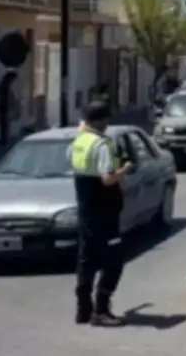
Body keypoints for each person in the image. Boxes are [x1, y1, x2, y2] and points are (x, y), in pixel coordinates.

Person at [69, 101, 133, 327]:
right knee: (114, 261)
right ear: (101, 121)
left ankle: (83, 309)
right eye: (106, 119)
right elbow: (107, 179)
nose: (108, 123)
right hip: (105, 212)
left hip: (86, 211)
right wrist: (124, 169)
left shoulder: (79, 142)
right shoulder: (101, 145)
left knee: (86, 260)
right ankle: (101, 310)